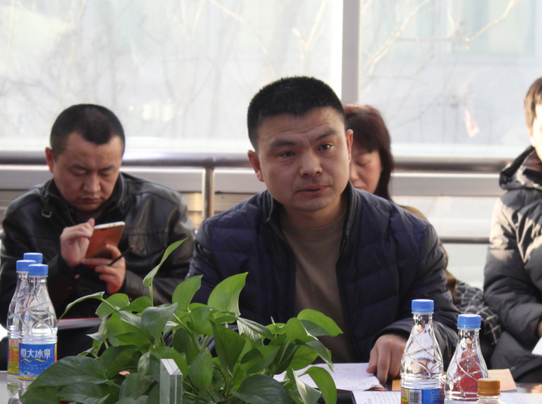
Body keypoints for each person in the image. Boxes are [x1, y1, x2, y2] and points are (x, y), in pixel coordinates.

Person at [187, 76, 458, 385]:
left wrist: (405, 335)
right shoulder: (221, 239)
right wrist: (243, 352)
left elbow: (446, 326)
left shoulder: (410, 235)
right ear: (257, 164)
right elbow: (190, 332)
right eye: (287, 154)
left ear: (349, 146)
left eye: (325, 146)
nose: (311, 167)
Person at [0, 104, 195, 358]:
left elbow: (191, 295)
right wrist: (62, 268)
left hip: (138, 342)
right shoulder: (25, 215)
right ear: (51, 160)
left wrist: (128, 284)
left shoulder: (163, 208)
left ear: (120, 161)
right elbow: (8, 312)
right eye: (79, 172)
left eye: (106, 172)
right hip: (54, 343)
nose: (92, 187)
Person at [345, 104, 502, 363]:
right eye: (345, 162)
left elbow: (442, 309)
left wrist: (404, 334)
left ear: (383, 162)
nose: (352, 175)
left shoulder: (410, 228)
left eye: (363, 162)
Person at [484, 77, 542, 381]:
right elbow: (504, 287)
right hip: (532, 347)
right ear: (532, 133)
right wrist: (538, 322)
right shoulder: (512, 207)